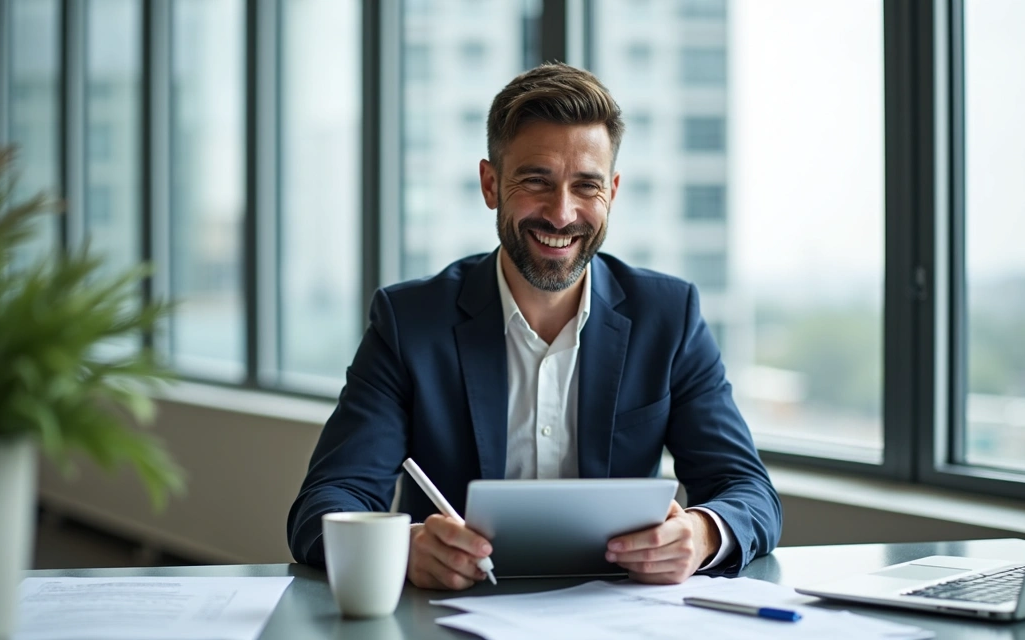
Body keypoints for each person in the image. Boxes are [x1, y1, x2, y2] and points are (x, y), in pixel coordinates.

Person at [287, 62, 781, 590]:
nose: (562, 213)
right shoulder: (409, 323)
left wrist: (703, 533)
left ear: (611, 191)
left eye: (585, 186)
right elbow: (325, 504)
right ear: (490, 183)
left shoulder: (669, 316)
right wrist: (403, 548)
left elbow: (747, 489)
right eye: (536, 181)